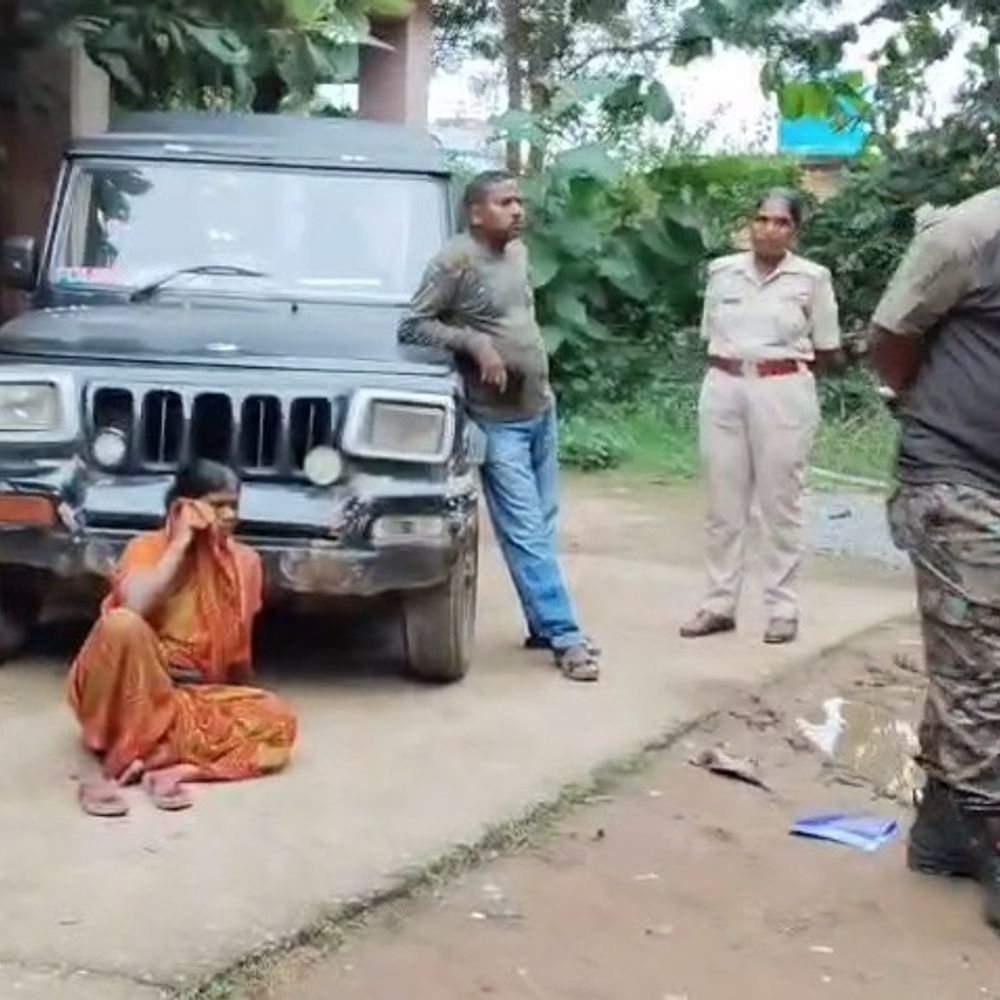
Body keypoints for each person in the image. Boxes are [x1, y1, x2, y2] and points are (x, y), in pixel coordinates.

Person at [398, 170, 599, 682]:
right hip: (497, 422)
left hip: (539, 408)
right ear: (475, 212)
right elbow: (413, 325)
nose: (517, 210)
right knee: (526, 529)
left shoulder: (518, 253)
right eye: (505, 203)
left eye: (518, 202)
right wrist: (475, 343)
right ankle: (566, 636)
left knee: (540, 523)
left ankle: (541, 624)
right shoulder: (454, 261)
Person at [870, 186, 1000, 930]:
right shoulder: (971, 234)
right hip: (958, 476)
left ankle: (947, 827)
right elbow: (892, 338)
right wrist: (925, 403)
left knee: (969, 656)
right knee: (980, 668)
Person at [68, 459, 297, 816]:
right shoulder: (146, 548)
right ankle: (133, 755)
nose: (230, 515)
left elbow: (238, 657)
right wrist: (179, 546)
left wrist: (238, 705)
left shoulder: (245, 562)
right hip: (127, 694)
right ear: (182, 506)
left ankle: (171, 767)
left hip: (184, 701)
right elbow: (134, 605)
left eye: (234, 505)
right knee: (122, 625)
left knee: (277, 718)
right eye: (217, 505)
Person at [681, 189, 842, 645]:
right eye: (762, 219)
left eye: (781, 222)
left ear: (795, 230)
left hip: (782, 387)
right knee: (723, 502)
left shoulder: (812, 278)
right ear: (750, 223)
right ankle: (718, 604)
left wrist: (786, 379)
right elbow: (709, 332)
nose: (770, 230)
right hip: (724, 384)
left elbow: (827, 349)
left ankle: (782, 607)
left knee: (781, 502)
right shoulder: (722, 271)